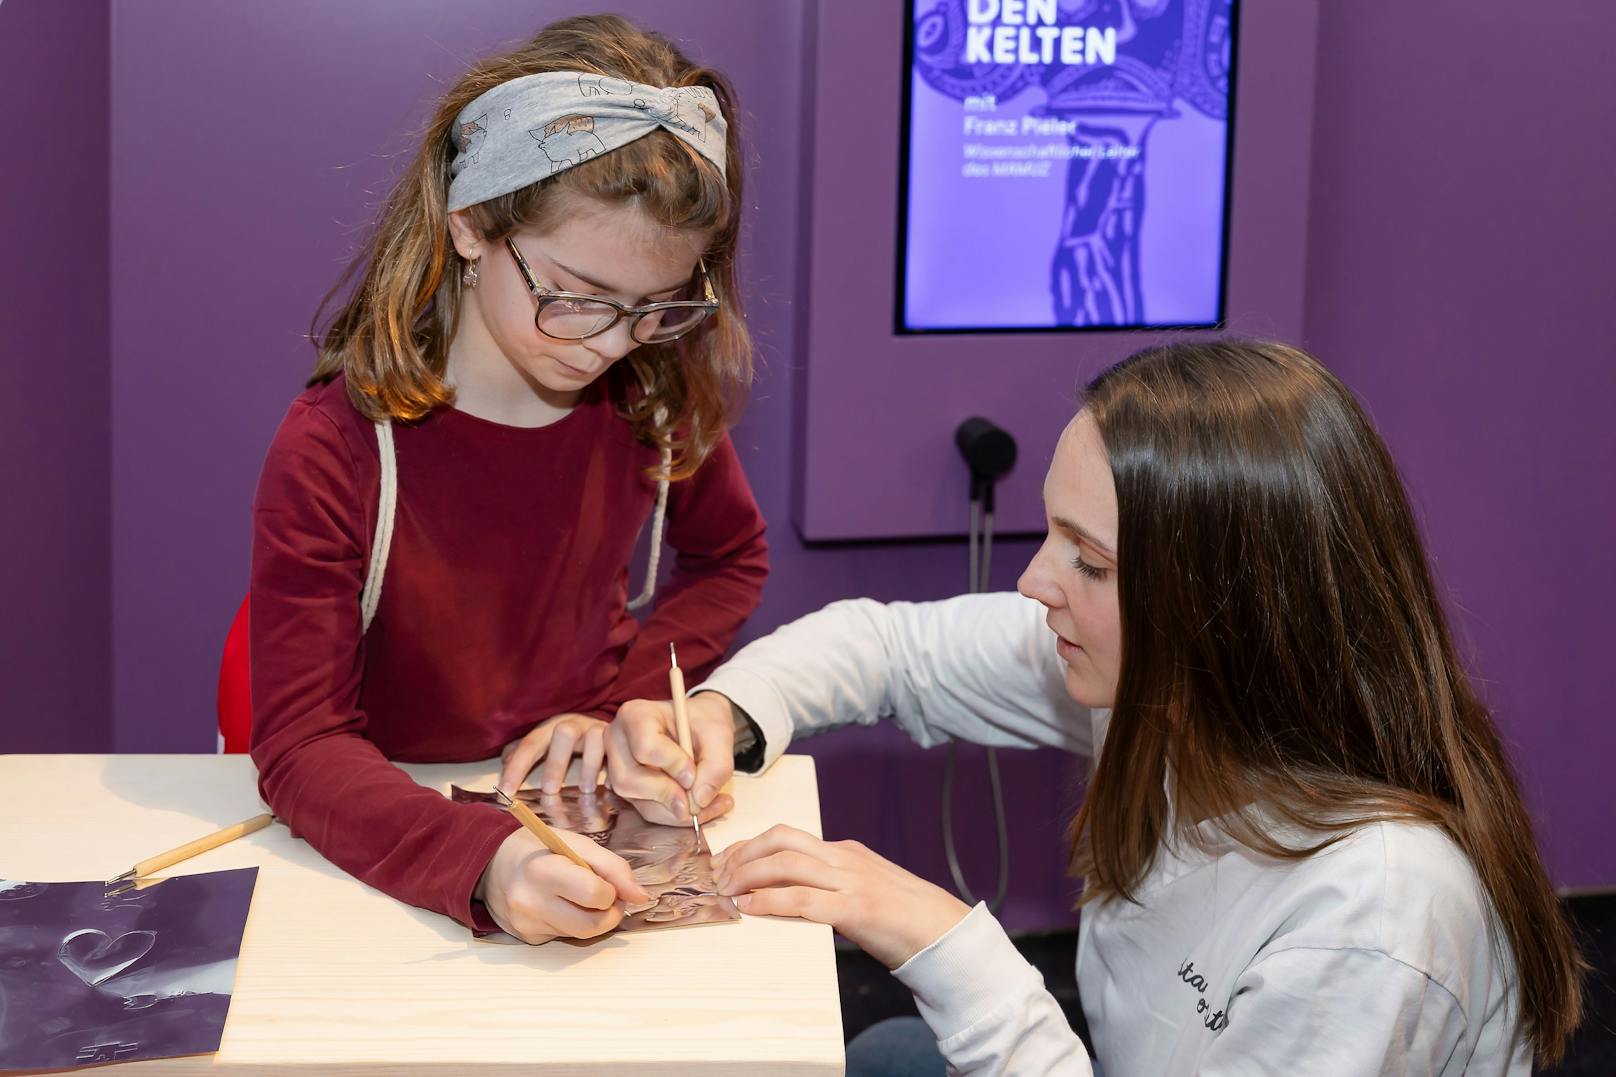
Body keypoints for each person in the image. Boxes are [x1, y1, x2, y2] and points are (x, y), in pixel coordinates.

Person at [608, 340, 1584, 1074]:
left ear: (1223, 602)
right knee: (893, 1051)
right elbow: (884, 649)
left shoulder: (1373, 915)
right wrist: (726, 715)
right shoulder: (1166, 688)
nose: (1037, 582)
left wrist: (947, 944)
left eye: (1090, 560)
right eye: (1050, 535)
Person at [249, 14, 767, 945]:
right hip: (386, 832)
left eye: (656, 307)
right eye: (574, 296)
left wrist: (620, 706)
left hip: (567, 807)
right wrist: (484, 857)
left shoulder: (653, 398)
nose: (613, 342)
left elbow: (732, 556)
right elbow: (302, 746)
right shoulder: (338, 446)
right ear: (471, 223)